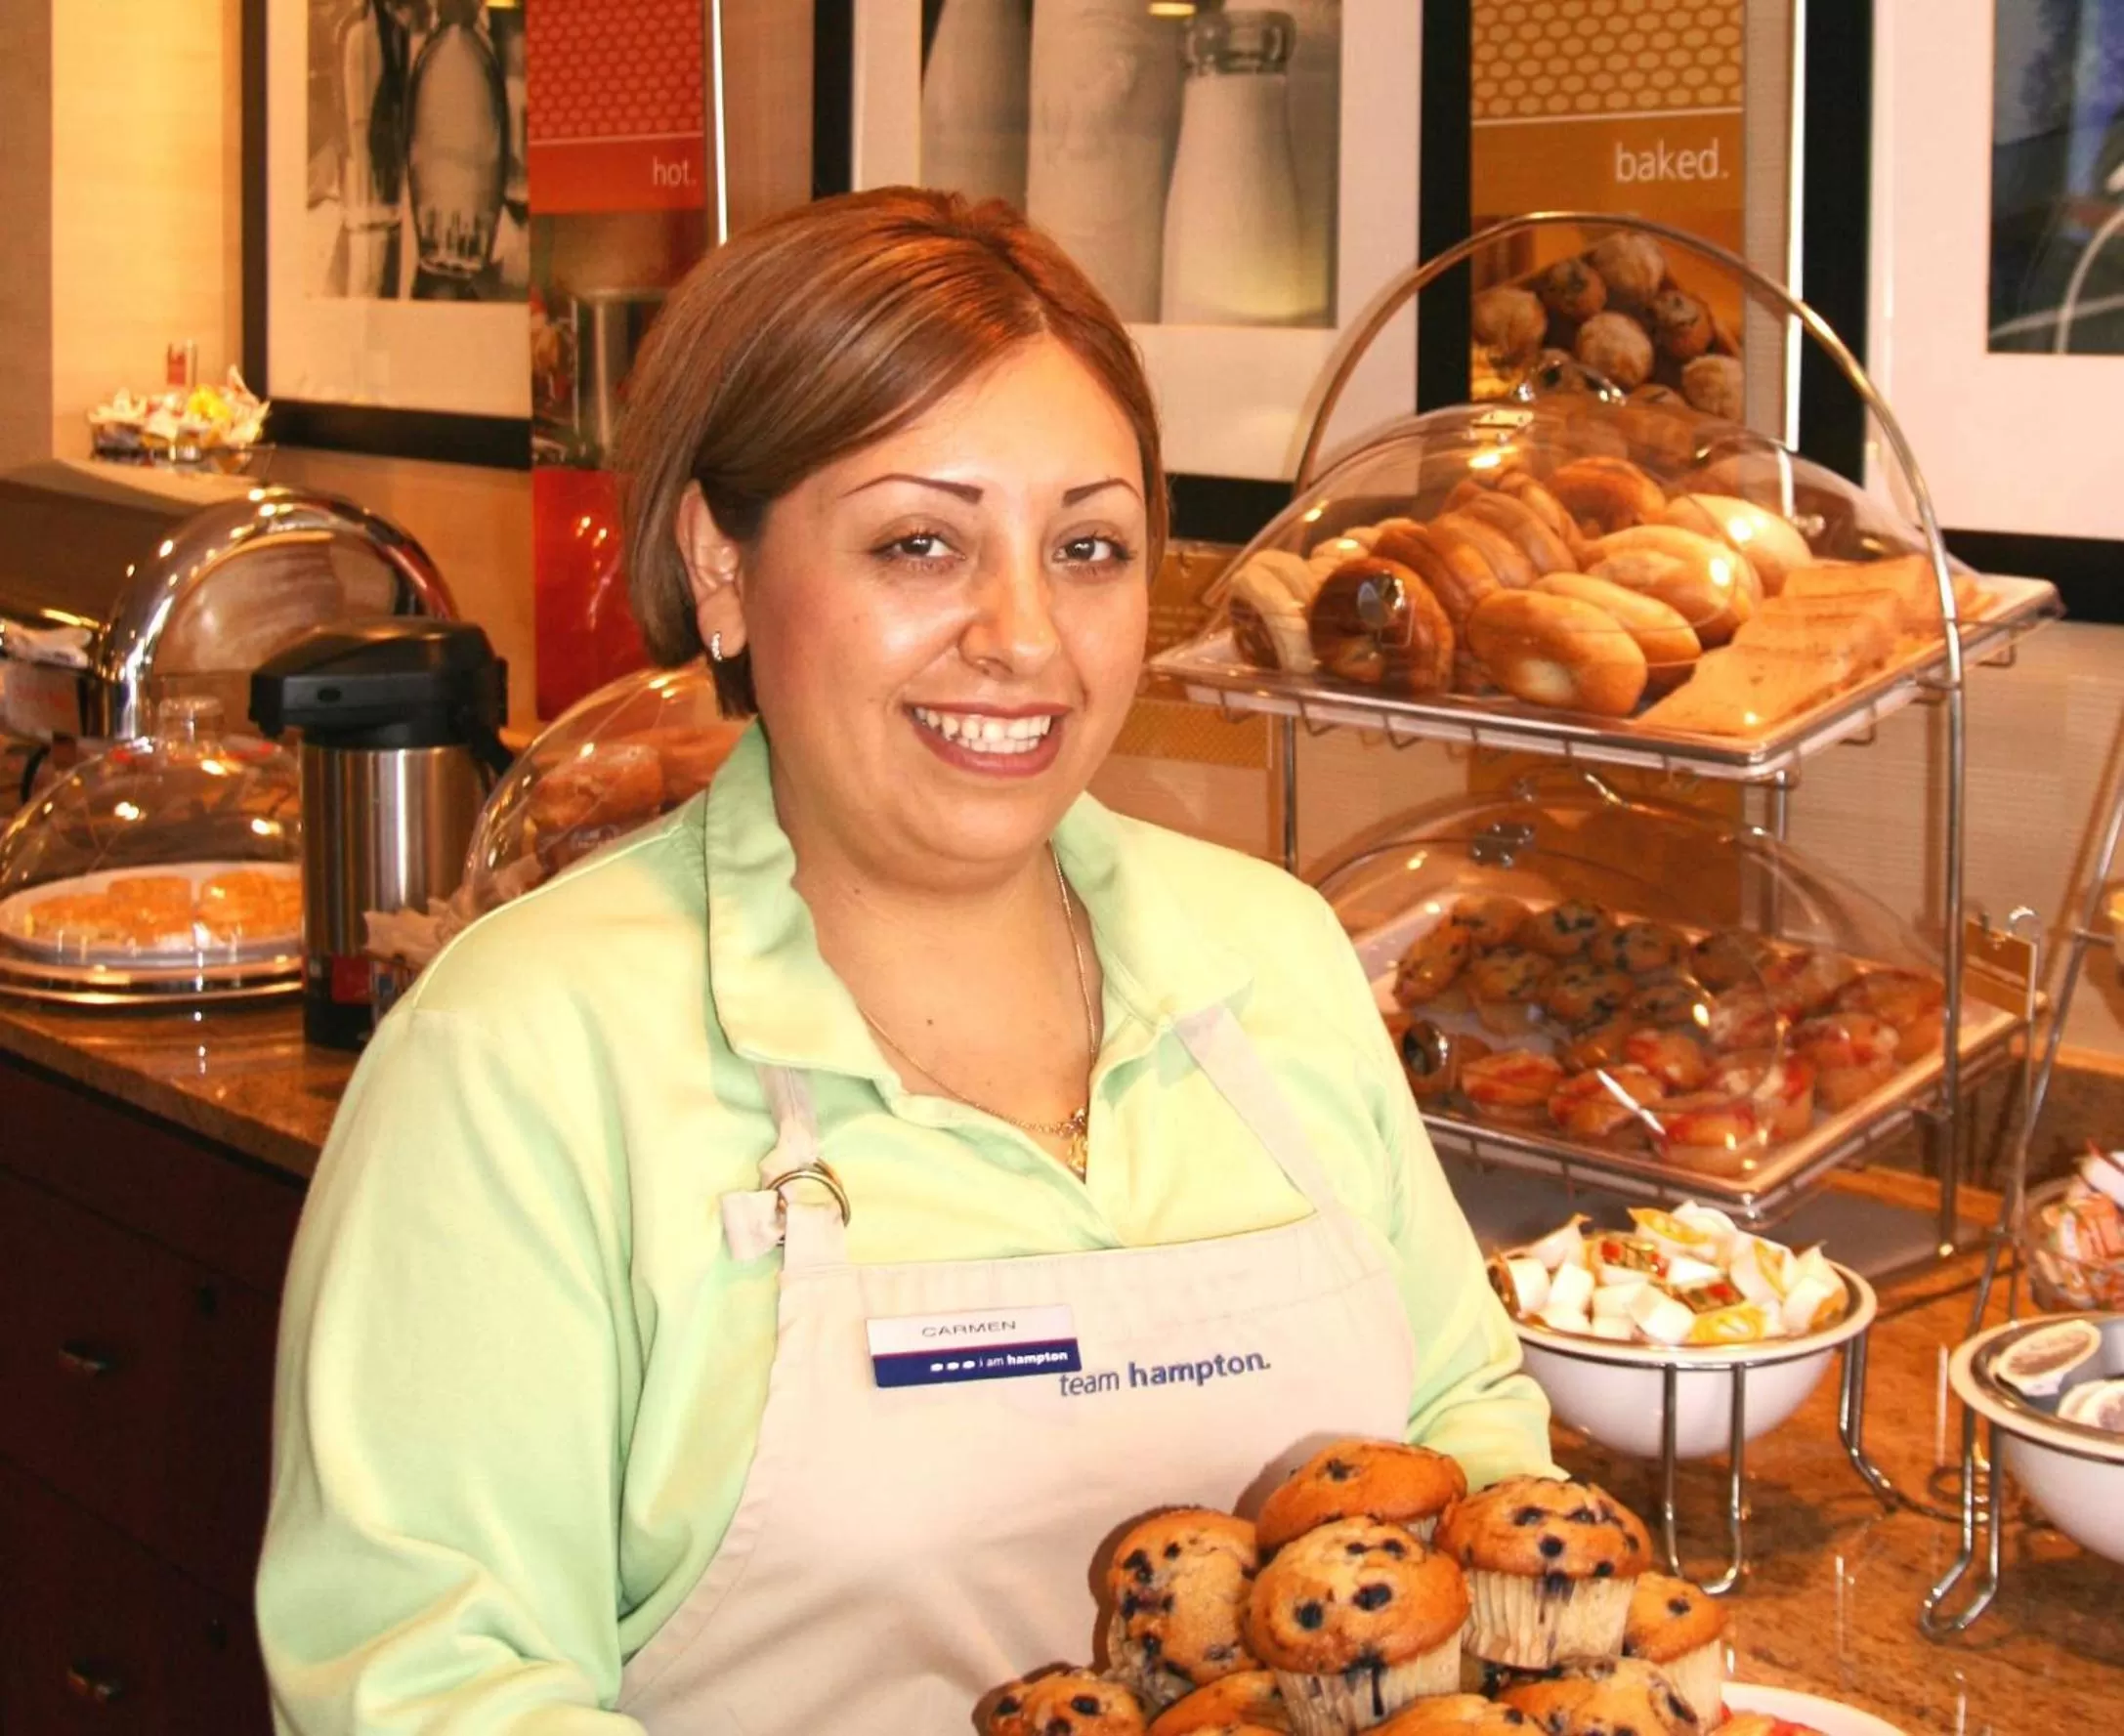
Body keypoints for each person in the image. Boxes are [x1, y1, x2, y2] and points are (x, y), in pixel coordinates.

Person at [256, 188, 1553, 1734]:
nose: (1022, 635)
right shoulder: (524, 1053)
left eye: (1087, 545)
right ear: (721, 567)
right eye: (920, 542)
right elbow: (424, 1688)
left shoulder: (1264, 955)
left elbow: (1461, 1432)